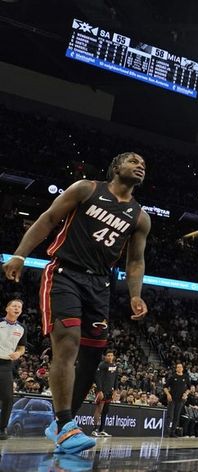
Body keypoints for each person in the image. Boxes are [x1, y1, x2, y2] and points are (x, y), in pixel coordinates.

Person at [2, 152, 150, 455]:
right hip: (65, 274)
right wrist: (20, 254)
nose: (140, 166)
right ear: (116, 167)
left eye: (143, 165)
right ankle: (67, 424)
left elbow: (135, 261)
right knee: (67, 343)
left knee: (93, 357)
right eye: (133, 161)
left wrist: (135, 293)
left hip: (101, 284)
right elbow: (48, 219)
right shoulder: (86, 189)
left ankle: (60, 425)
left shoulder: (140, 216)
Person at [0, 298, 26, 440]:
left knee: (8, 398)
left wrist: (18, 353)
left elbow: (22, 347)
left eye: (19, 307)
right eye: (14, 306)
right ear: (7, 309)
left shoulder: (22, 328)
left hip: (5, 365)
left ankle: (2, 429)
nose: (17, 308)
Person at [91, 350, 119, 437]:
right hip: (102, 390)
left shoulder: (114, 366)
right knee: (99, 409)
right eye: (108, 355)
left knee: (105, 411)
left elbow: (116, 378)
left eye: (111, 355)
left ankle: (102, 429)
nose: (110, 357)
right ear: (105, 356)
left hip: (109, 391)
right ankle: (94, 429)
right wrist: (99, 391)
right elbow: (97, 378)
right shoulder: (102, 365)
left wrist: (115, 390)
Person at [164, 362, 189, 438]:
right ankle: (166, 432)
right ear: (176, 369)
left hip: (180, 400)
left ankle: (173, 432)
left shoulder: (185, 377)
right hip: (172, 399)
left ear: (182, 368)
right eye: (178, 367)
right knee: (170, 416)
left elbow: (189, 388)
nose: (179, 368)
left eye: (180, 367)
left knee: (176, 416)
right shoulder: (172, 377)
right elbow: (165, 387)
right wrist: (168, 394)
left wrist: (186, 394)